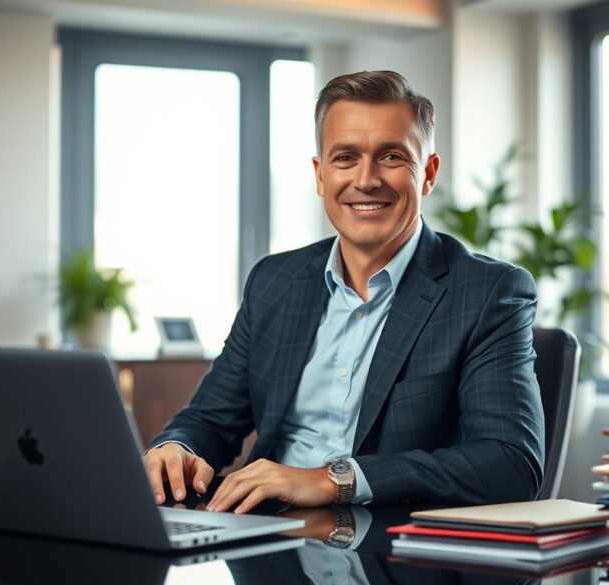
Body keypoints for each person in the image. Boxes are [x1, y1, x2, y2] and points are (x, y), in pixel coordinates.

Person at [144, 70, 544, 515]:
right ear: (320, 175)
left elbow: (510, 463)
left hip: (382, 550)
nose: (366, 179)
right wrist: (175, 448)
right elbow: (210, 417)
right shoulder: (275, 280)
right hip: (262, 537)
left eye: (392, 157)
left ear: (428, 174)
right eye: (345, 158)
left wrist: (334, 480)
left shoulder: (487, 293)